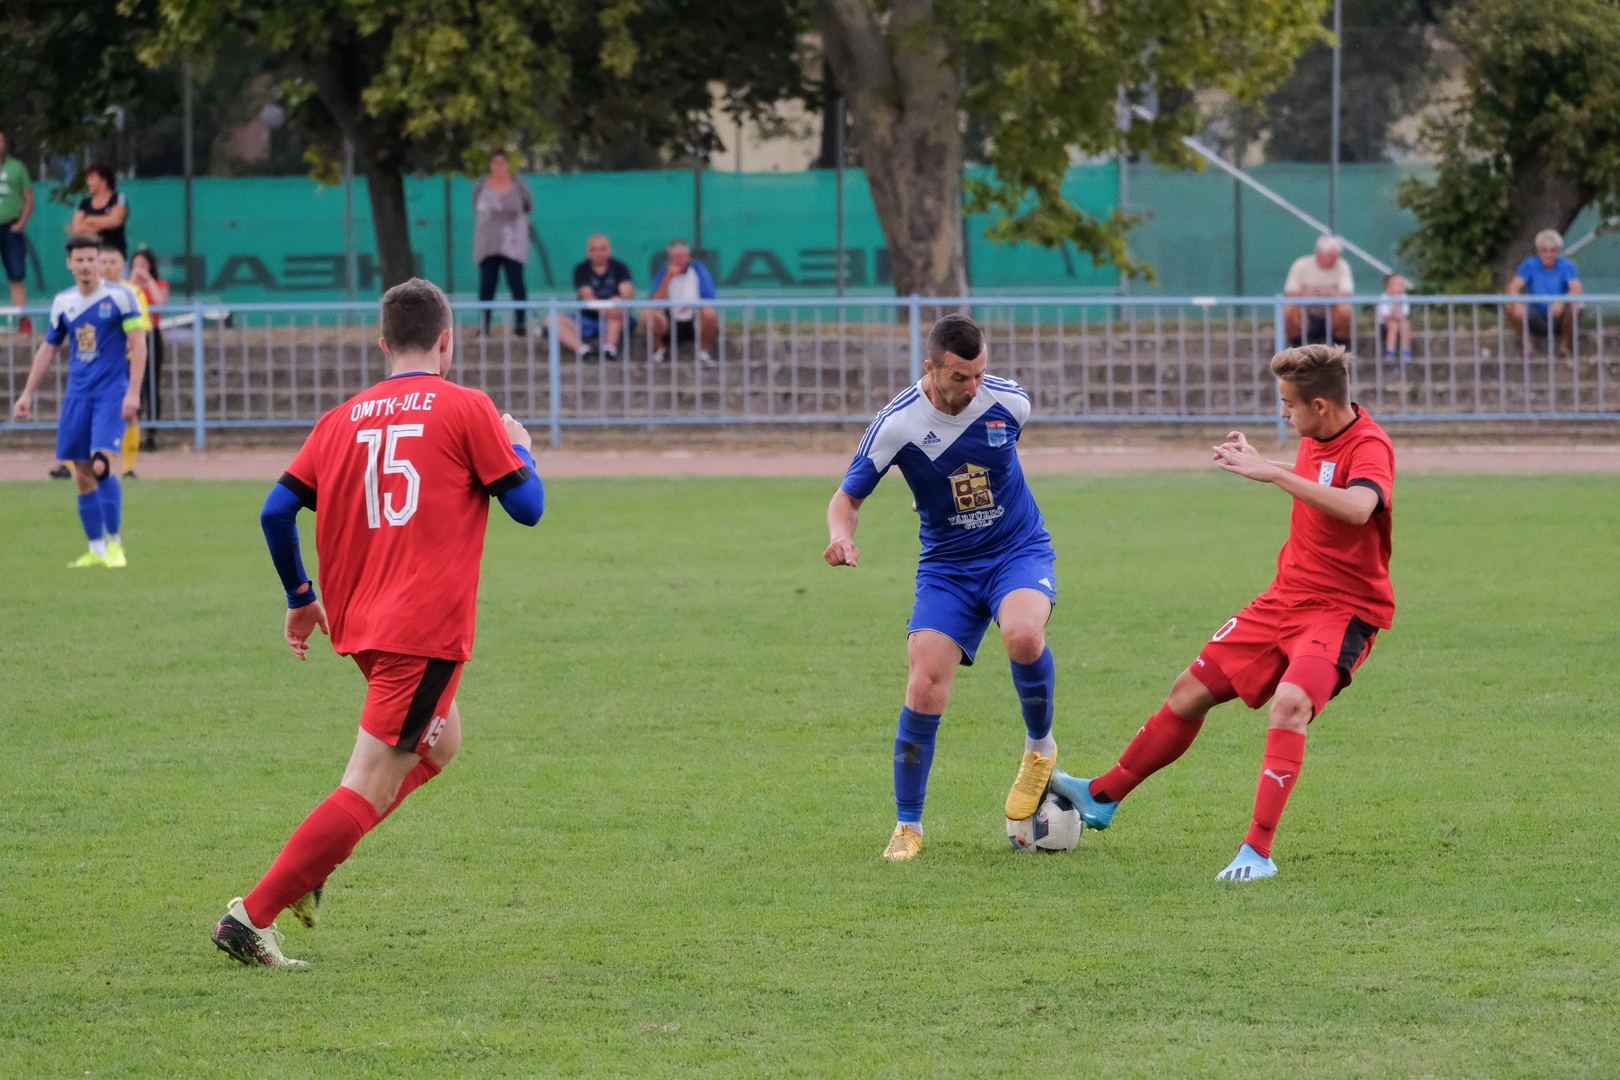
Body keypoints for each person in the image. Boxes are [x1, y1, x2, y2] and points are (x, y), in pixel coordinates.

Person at [211, 277, 546, 968]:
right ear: (446, 342)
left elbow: (276, 512)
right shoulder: (466, 407)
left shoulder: (342, 418)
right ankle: (251, 916)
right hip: (421, 631)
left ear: (383, 343)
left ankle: (314, 864)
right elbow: (529, 507)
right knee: (367, 783)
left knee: (441, 745)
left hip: (361, 623)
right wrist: (521, 447)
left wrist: (300, 596)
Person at [1051, 344, 1396, 883]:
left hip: (1342, 611)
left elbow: (1357, 506)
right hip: (1284, 599)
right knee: (1188, 691)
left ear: (1321, 406)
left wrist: (1273, 476)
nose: (1283, 412)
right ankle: (1103, 795)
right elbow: (1322, 479)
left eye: (1289, 403)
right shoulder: (1317, 436)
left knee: (1290, 706)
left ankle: (1257, 852)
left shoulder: (1370, 445)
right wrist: (1265, 463)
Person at [824, 314, 1062, 862]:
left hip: (1016, 550)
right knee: (924, 685)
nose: (973, 387)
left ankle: (1039, 750)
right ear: (929, 368)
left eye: (979, 374)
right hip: (948, 567)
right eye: (959, 377)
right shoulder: (897, 423)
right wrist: (841, 537)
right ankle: (908, 826)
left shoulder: (1010, 401)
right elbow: (847, 499)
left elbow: (995, 458)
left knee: (1023, 635)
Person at [10, 234, 147, 568]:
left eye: (91, 259)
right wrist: (27, 393)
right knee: (82, 474)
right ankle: (95, 549)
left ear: (99, 262)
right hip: (78, 395)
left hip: (111, 393)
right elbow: (48, 349)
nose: (86, 265)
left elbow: (139, 344)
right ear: (69, 264)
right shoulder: (64, 302)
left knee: (101, 465)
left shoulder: (121, 296)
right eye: (80, 260)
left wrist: (133, 392)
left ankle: (115, 545)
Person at [98, 245, 153, 477]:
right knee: (84, 414)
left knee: (128, 414)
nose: (108, 267)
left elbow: (141, 331)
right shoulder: (85, 294)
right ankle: (70, 465)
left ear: (123, 266)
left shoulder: (132, 293)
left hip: (124, 364)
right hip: (94, 365)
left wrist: (122, 346)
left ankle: (128, 467)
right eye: (103, 262)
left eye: (113, 262)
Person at [472, 152, 533, 336]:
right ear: (491, 164)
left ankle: (520, 325)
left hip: (513, 242)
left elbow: (528, 205)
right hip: (487, 243)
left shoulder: (519, 185)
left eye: (502, 162)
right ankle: (484, 326)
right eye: (495, 162)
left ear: (508, 165)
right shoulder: (481, 185)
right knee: (487, 283)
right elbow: (476, 205)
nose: (499, 166)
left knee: (516, 282)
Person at [1506, 229, 1582, 357]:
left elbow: (1577, 289)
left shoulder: (1566, 266)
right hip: (1535, 313)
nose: (1548, 255)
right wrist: (1516, 302)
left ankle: (1564, 347)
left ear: (1558, 251)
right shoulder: (1529, 265)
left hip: (1558, 315)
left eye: (1552, 251)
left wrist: (1562, 301)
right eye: (1544, 251)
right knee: (1511, 306)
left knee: (1575, 307)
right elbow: (1513, 287)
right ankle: (1528, 346)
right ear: (1539, 251)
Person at [643, 239, 717, 364]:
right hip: (669, 321)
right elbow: (654, 302)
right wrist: (668, 278)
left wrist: (689, 305)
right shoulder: (663, 273)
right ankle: (660, 351)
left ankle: (703, 352)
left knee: (709, 313)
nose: (677, 261)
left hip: (694, 319)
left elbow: (708, 298)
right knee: (647, 314)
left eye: (681, 257)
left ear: (688, 257)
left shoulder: (699, 270)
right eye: (673, 257)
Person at [564, 234, 635, 360]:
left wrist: (618, 302)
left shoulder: (620, 267)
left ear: (609, 250)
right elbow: (587, 296)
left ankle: (609, 350)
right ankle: (584, 351)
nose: (598, 253)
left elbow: (628, 294)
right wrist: (609, 307)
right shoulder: (581, 269)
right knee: (552, 320)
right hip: (587, 319)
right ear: (588, 252)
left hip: (615, 320)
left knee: (617, 312)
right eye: (594, 250)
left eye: (602, 249)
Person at [128, 248, 168, 451]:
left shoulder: (159, 284)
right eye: (136, 265)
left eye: (143, 265)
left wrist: (148, 280)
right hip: (132, 336)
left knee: (152, 384)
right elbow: (125, 298)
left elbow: (160, 302)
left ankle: (152, 434)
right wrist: (134, 280)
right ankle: (130, 432)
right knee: (134, 384)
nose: (140, 269)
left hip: (152, 335)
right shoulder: (128, 286)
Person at [1283, 235, 1354, 347]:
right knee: (1288, 309)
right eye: (1330, 257)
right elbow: (1289, 293)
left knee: (1345, 310)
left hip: (1332, 314)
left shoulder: (1342, 265)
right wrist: (1304, 294)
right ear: (1319, 254)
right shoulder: (1300, 265)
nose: (1334, 261)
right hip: (1305, 314)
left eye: (1336, 257)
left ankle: (1341, 344)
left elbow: (1347, 294)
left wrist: (1328, 292)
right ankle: (1296, 343)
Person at [0, 130, 36, 337]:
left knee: (16, 276)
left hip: (11, 229)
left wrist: (21, 223)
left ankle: (24, 322)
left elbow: (29, 199)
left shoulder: (17, 167)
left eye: (1, 141)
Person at [69, 163, 129, 257]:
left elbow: (115, 221)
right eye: (87, 178)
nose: (88, 182)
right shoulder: (85, 203)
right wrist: (105, 223)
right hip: (91, 258)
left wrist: (89, 220)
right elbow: (77, 228)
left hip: (115, 256)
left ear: (104, 180)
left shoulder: (118, 198)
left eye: (92, 178)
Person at [1376, 273, 1411, 360]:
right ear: (1388, 288)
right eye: (1398, 284)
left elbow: (1405, 314)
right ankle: (1390, 351)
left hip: (1399, 322)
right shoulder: (1384, 298)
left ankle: (1406, 350)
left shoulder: (1404, 297)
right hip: (1385, 325)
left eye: (1402, 284)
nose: (1402, 287)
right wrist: (1396, 302)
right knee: (1393, 325)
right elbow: (1387, 317)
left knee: (1405, 324)